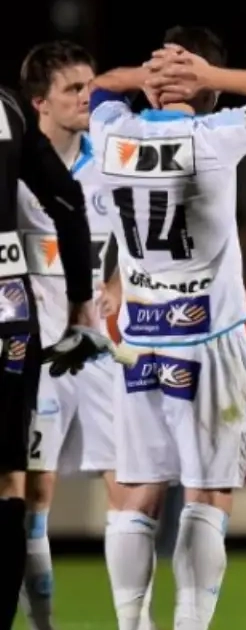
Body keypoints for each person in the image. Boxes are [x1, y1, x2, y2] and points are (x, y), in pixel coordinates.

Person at [86, 26, 246, 630]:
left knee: (136, 492)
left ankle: (131, 625)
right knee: (207, 496)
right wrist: (210, 77)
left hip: (139, 340)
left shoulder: (112, 134)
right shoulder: (216, 135)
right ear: (207, 91)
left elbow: (100, 85)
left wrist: (148, 75)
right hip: (209, 339)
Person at [15, 40, 158, 630]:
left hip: (97, 349)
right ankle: (44, 623)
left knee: (128, 485)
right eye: (73, 89)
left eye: (90, 86)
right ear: (39, 102)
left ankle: (137, 622)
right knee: (35, 494)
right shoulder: (17, 167)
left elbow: (141, 231)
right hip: (37, 353)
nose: (87, 98)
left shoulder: (111, 159)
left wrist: (119, 281)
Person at [0, 82, 103, 628]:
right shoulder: (9, 111)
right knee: (12, 480)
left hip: (21, 312)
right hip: (14, 312)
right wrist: (80, 296)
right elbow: (65, 200)